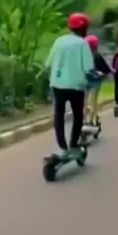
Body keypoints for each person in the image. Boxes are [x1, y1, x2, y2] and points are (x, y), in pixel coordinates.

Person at [45, 13, 94, 155]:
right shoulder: (83, 43)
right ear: (84, 28)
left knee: (59, 114)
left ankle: (62, 145)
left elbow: (48, 63)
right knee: (78, 115)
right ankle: (73, 143)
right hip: (76, 86)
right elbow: (88, 68)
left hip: (58, 84)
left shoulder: (59, 41)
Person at [84, 34, 112, 125]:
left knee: (84, 101)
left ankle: (83, 119)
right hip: (95, 81)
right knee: (93, 102)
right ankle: (90, 120)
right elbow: (106, 69)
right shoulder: (97, 55)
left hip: (84, 80)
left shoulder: (83, 55)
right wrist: (104, 74)